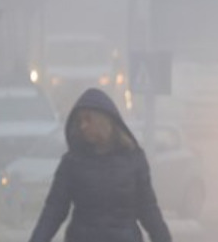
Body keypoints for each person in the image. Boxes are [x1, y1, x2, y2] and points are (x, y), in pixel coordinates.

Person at [28, 88, 171, 242]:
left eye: (88, 119)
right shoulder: (72, 163)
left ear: (103, 119)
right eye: (80, 121)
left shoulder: (134, 160)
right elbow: (53, 211)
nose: (83, 126)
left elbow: (148, 210)